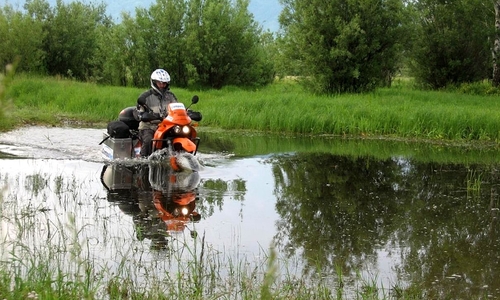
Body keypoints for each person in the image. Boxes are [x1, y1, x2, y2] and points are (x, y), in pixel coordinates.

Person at [136, 69, 178, 157]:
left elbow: (176, 107)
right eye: (160, 83)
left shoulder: (170, 96)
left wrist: (188, 113)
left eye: (164, 83)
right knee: (148, 140)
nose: (162, 85)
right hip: (149, 126)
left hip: (167, 126)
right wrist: (147, 116)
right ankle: (143, 161)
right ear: (154, 82)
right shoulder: (145, 96)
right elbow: (139, 113)